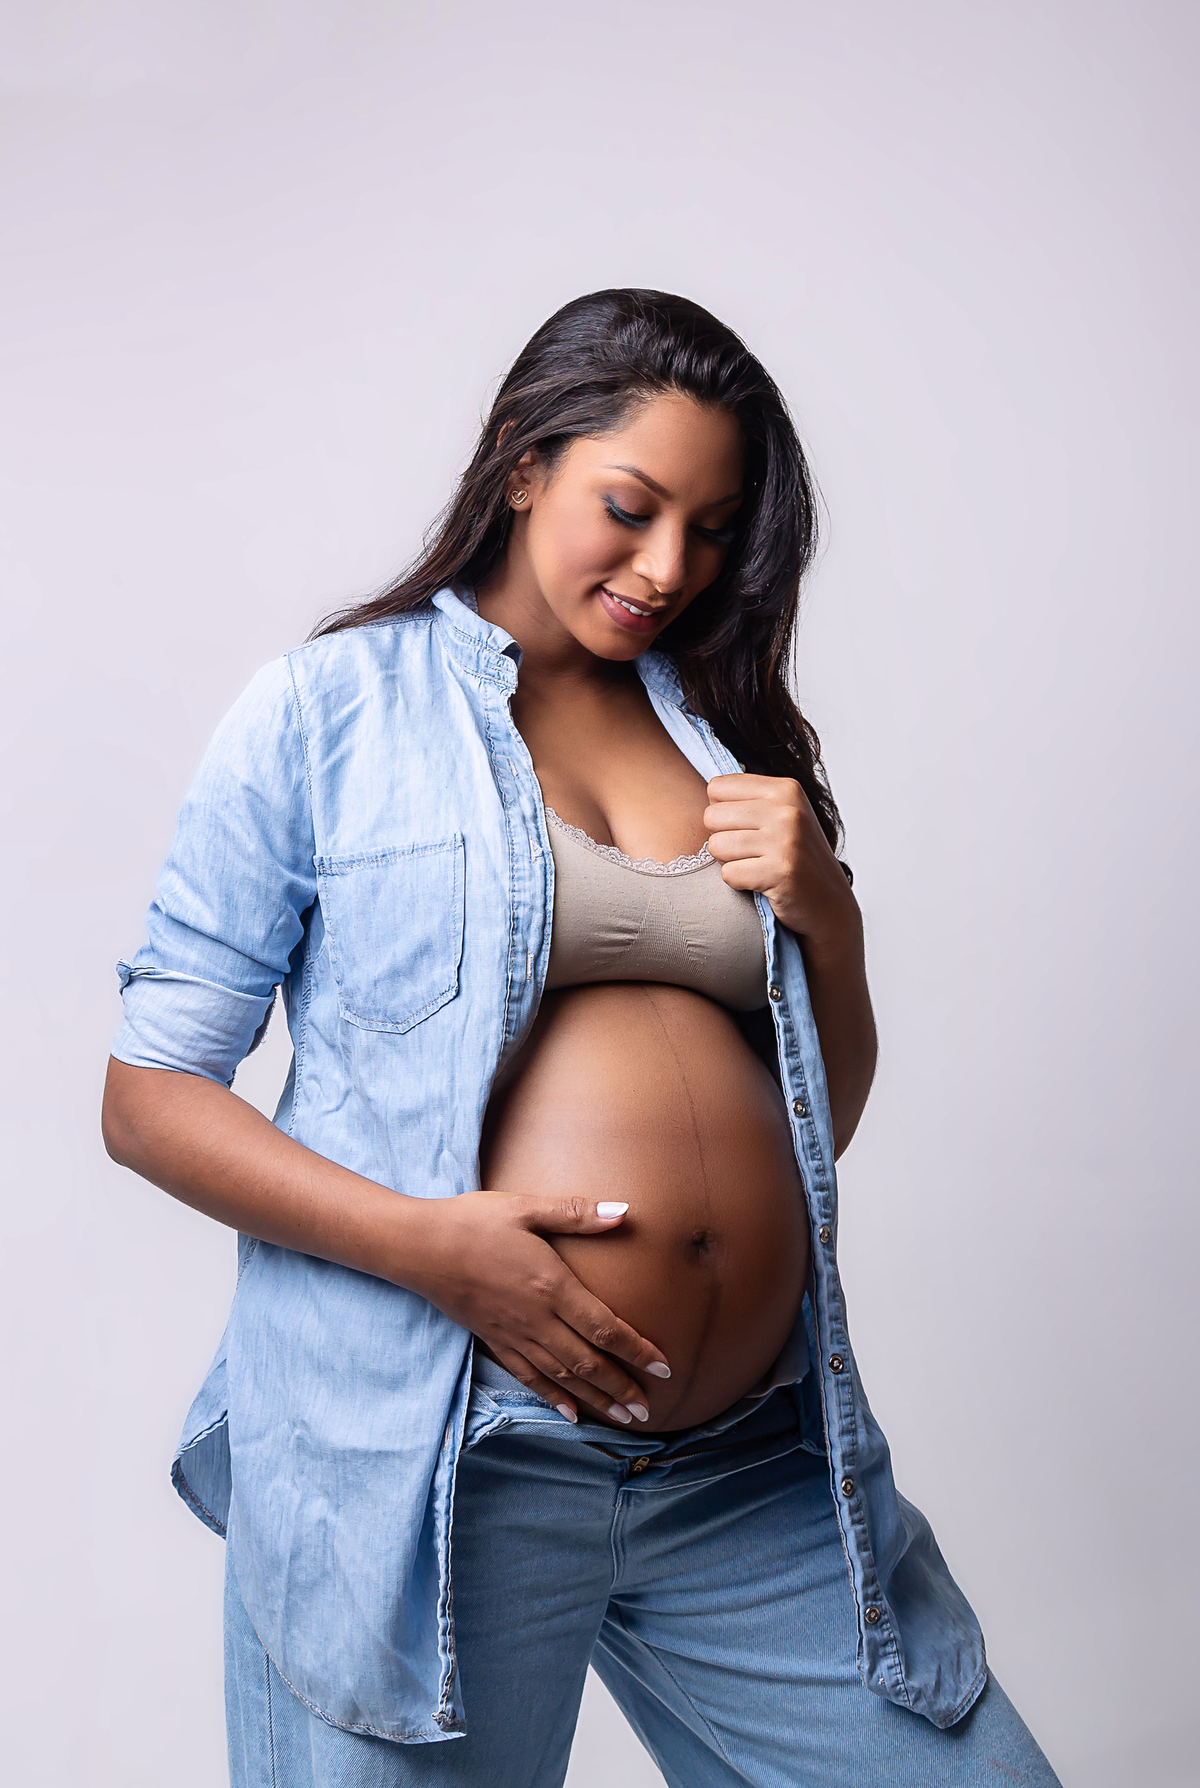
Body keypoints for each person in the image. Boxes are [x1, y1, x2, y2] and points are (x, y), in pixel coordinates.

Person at [103, 289, 1060, 1786]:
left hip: (750, 1471)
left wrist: (832, 919)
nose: (669, 566)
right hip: (454, 1461)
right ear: (525, 464)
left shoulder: (729, 742)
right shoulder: (327, 714)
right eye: (632, 505)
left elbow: (813, 1117)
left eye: (712, 528)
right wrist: (434, 1247)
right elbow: (150, 1096)